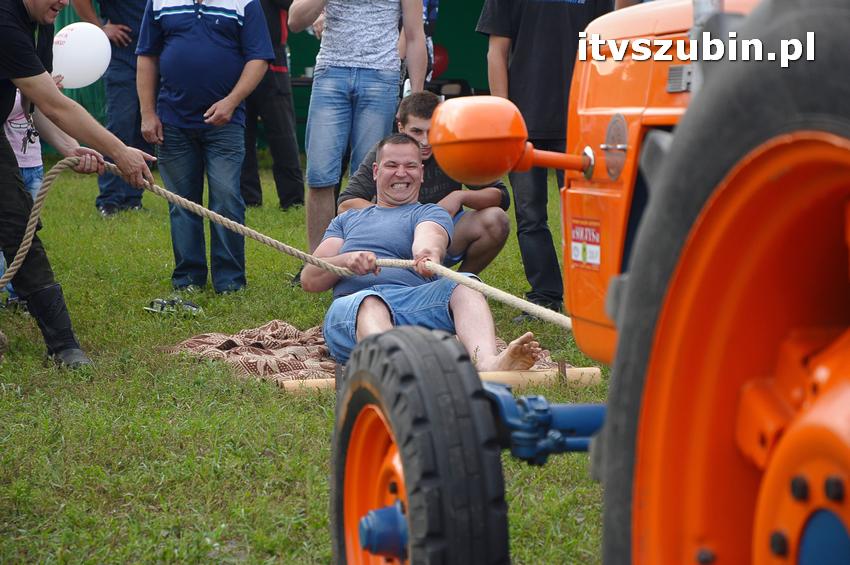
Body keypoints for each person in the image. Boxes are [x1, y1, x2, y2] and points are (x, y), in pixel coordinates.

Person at [302, 133, 542, 370]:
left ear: (421, 173)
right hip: (353, 311)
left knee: (467, 284)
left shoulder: (430, 213)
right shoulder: (347, 220)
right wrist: (347, 260)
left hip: (415, 306)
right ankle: (393, 365)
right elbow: (310, 279)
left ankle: (489, 363)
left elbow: (430, 236)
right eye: (392, 165)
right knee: (370, 302)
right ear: (375, 171)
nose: (401, 173)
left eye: (410, 166)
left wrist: (428, 254)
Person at [0, 0, 155, 367]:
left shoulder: (40, 21)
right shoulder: (5, 20)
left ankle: (64, 346)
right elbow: (57, 105)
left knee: (18, 227)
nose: (66, 3)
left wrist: (71, 146)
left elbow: (37, 102)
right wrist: (119, 151)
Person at [477, 0, 612, 322]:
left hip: (582, 118)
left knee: (587, 218)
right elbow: (496, 52)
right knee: (530, 215)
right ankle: (546, 298)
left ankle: (593, 300)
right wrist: (503, 117)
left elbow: (608, 46)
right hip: (524, 122)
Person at [136, 0, 274, 294]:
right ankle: (188, 280)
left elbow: (259, 58)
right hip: (172, 121)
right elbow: (147, 56)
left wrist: (232, 101)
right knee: (181, 203)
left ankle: (231, 283)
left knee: (226, 198)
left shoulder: (245, 2)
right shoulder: (159, 1)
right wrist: (147, 113)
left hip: (226, 122)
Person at [288, 0, 428, 261]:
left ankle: (363, 255)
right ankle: (318, 263)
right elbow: (295, 21)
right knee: (319, 175)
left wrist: (415, 100)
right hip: (331, 72)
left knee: (368, 180)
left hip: (381, 74)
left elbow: (414, 34)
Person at [338, 91, 510, 274]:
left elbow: (501, 195)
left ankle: (462, 282)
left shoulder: (455, 149)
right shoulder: (386, 151)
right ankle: (397, 275)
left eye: (433, 130)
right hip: (392, 240)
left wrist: (460, 196)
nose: (426, 141)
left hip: (441, 237)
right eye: (417, 131)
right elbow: (346, 203)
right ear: (401, 128)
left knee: (496, 219)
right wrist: (401, 219)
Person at [73, 0, 154, 218]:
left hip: (154, 59)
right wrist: (99, 29)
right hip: (123, 57)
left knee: (144, 129)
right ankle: (109, 200)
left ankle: (133, 198)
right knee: (120, 125)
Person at [240, 0, 305, 210]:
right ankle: (248, 199)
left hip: (272, 57)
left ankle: (293, 200)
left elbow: (294, 5)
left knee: (282, 134)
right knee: (241, 133)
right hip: (236, 54)